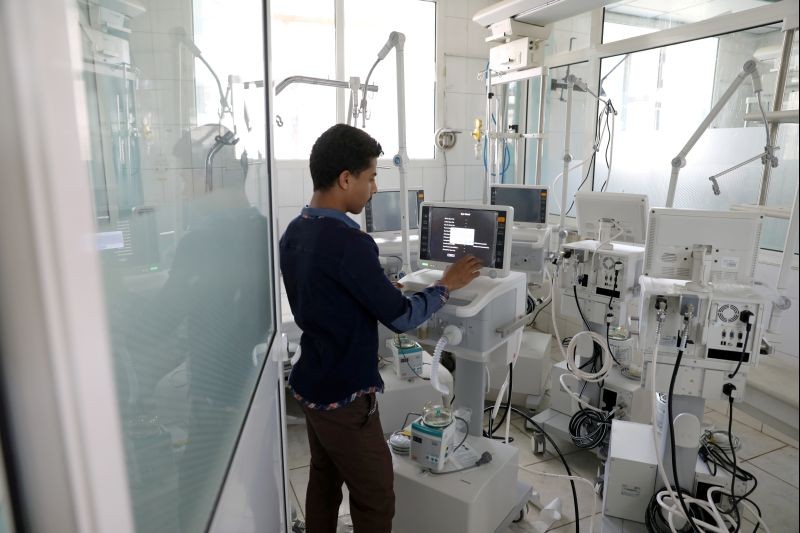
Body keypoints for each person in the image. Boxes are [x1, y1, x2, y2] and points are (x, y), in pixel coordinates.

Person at [279, 123, 481, 533]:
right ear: (345, 178)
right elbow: (403, 318)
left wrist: (377, 288)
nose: (373, 188)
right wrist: (446, 285)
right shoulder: (350, 244)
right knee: (376, 496)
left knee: (324, 480)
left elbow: (326, 294)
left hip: (310, 384)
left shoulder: (294, 232)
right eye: (371, 177)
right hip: (344, 396)